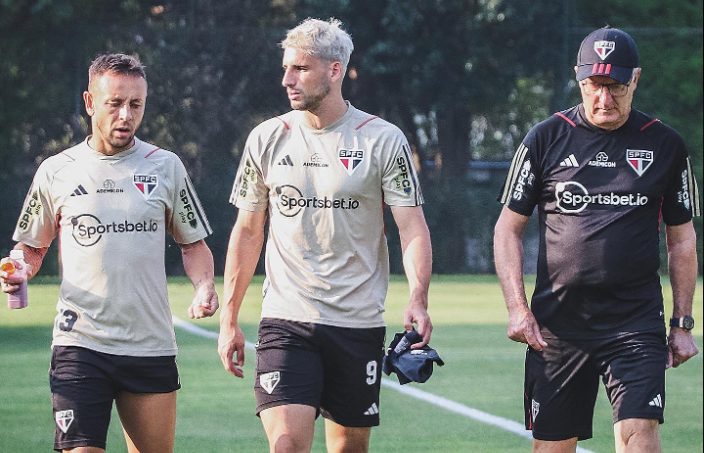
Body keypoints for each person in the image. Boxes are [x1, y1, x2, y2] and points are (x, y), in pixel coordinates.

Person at [217, 18, 433, 453]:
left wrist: (418, 297)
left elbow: (411, 226)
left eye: (300, 69)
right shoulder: (267, 138)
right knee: (286, 445)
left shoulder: (383, 140)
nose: (287, 80)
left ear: (335, 71)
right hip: (286, 319)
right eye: (285, 68)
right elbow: (247, 230)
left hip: (357, 322)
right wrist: (229, 317)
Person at [494, 26, 700, 452]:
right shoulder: (544, 138)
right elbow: (507, 229)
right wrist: (517, 308)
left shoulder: (666, 145)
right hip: (559, 324)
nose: (604, 98)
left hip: (634, 322)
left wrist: (682, 322)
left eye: (616, 86)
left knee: (640, 440)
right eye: (594, 85)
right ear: (578, 78)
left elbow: (681, 241)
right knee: (553, 446)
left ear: (636, 79)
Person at [0, 53, 219, 453]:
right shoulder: (57, 170)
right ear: (89, 102)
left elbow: (194, 245)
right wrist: (18, 270)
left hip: (149, 344)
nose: (125, 115)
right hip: (80, 343)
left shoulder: (165, 166)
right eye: (114, 103)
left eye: (135, 104)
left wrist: (205, 286)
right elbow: (31, 248)